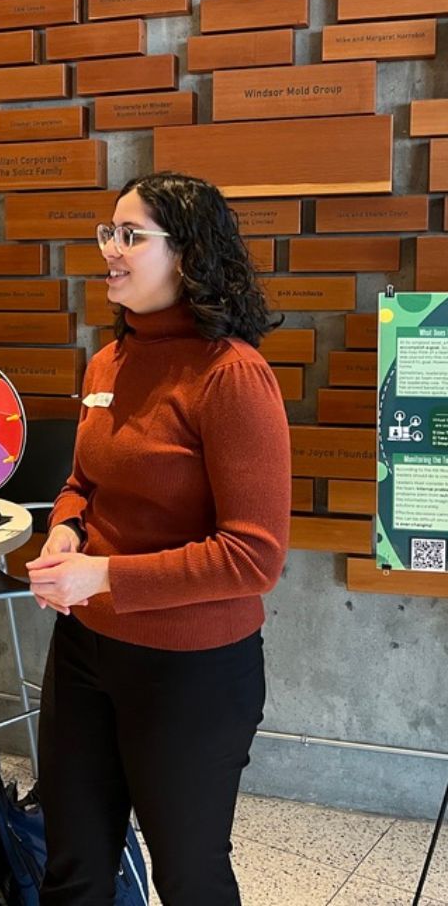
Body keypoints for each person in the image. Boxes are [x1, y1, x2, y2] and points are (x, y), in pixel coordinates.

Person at [25, 172, 291, 906]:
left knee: (189, 877)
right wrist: (65, 531)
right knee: (72, 865)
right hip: (86, 650)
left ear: (189, 253)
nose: (110, 249)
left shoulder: (232, 375)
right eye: (107, 232)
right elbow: (84, 482)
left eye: (131, 235)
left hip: (192, 671)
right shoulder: (109, 361)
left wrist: (103, 577)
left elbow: (254, 555)